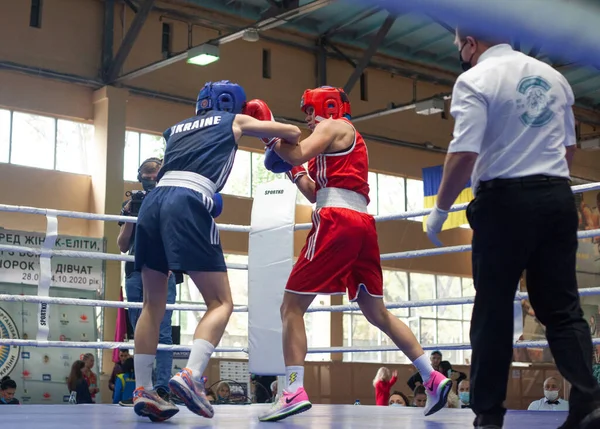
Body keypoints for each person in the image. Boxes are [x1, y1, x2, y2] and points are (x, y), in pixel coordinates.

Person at [425, 26, 600, 429]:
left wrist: (440, 208)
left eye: (459, 46)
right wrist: (546, 183)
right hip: (558, 197)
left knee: (494, 307)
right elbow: (569, 147)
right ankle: (589, 404)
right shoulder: (554, 77)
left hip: (503, 202)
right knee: (563, 308)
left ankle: (488, 414)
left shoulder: (475, 79)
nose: (460, 53)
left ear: (471, 43)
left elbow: (464, 151)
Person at [255, 86, 451, 422]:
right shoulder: (341, 138)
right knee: (377, 312)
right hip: (361, 224)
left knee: (291, 306)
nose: (306, 117)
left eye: (308, 110)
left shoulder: (333, 126)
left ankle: (291, 390)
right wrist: (293, 169)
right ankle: (431, 376)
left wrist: (270, 134)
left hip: (337, 221)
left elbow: (297, 152)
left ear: (326, 106)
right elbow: (314, 189)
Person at [131, 80, 302, 422]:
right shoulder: (235, 121)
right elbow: (294, 132)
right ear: (232, 105)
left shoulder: (175, 128)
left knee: (152, 303)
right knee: (221, 302)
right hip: (188, 200)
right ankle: (191, 375)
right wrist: (260, 119)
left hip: (152, 204)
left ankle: (143, 388)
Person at [118, 159, 180, 398]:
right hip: (135, 272)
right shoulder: (130, 203)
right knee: (140, 330)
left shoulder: (173, 200)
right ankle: (144, 388)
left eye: (155, 175)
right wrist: (132, 214)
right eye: (147, 175)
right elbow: (122, 246)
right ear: (140, 177)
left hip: (165, 271)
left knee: (163, 331)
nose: (151, 179)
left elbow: (178, 236)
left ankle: (162, 388)